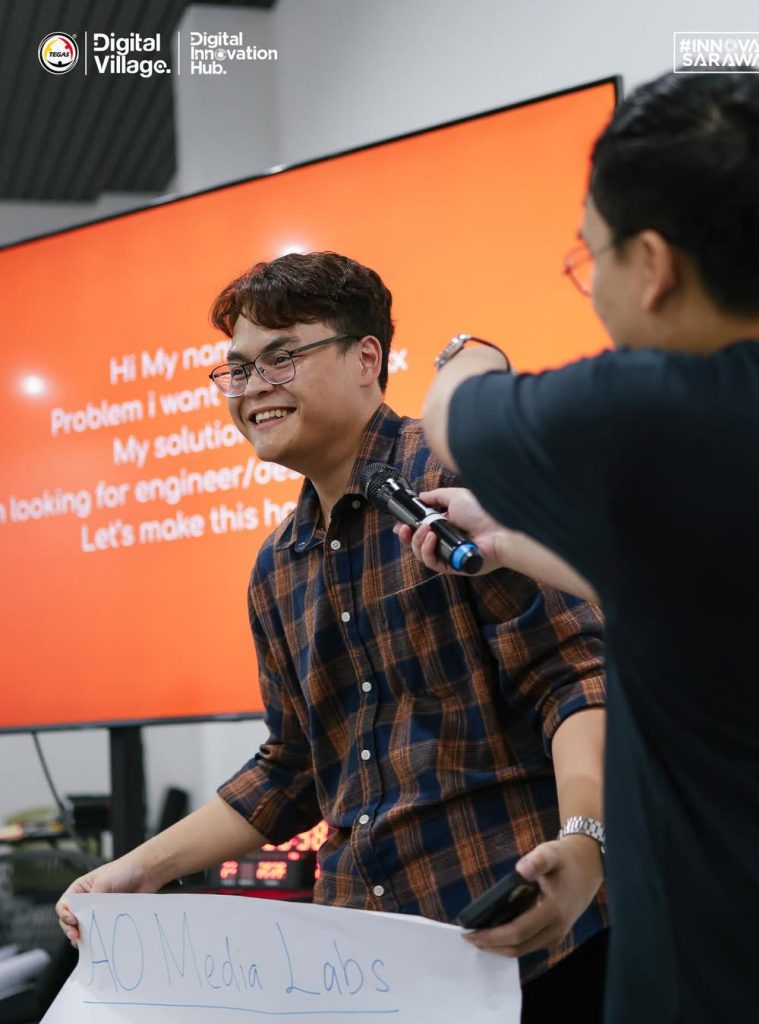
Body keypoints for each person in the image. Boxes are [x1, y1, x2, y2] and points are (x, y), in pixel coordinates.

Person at [56, 252, 610, 1020]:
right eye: (237, 369)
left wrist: (585, 842)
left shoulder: (455, 478)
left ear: (366, 359)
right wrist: (139, 869)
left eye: (281, 357)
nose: (252, 386)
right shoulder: (277, 565)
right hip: (370, 969)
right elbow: (291, 768)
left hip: (531, 936)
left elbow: (575, 676)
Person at [417, 72, 759, 1023]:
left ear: (652, 263)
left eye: (587, 255)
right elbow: (713, 585)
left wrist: (469, 350)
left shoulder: (652, 414)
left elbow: (451, 414)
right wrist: (507, 542)